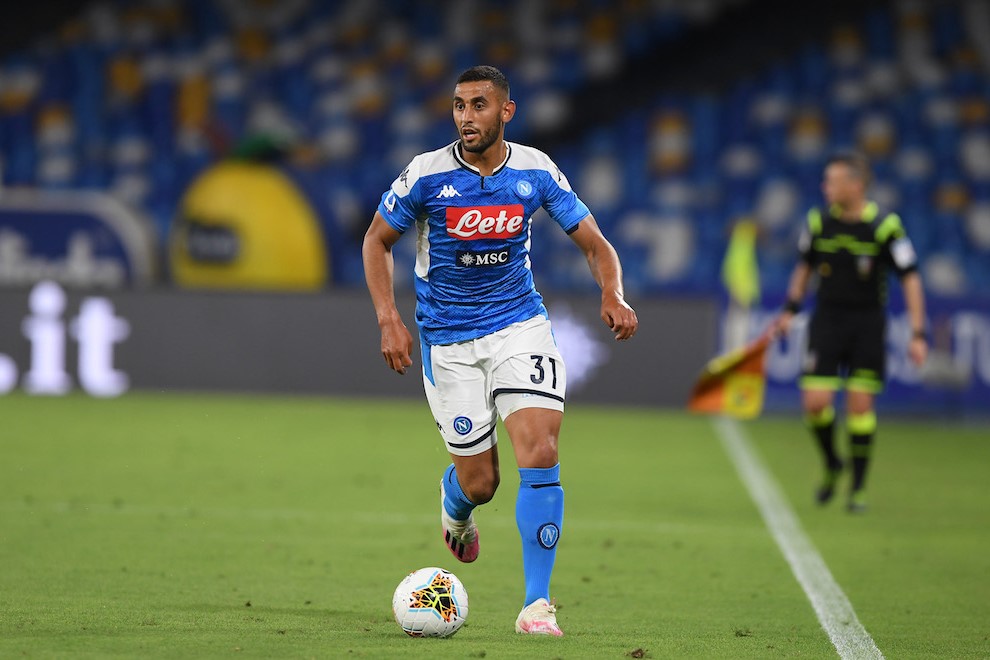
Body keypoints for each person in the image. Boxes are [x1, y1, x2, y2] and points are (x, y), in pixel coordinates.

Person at [362, 65, 638, 636]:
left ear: (506, 112)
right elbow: (376, 240)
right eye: (459, 105)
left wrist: (612, 293)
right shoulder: (426, 174)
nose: (466, 117)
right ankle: (455, 505)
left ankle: (537, 605)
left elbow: (595, 243)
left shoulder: (535, 169)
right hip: (449, 339)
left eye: (479, 105)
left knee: (540, 449)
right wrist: (389, 319)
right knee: (481, 483)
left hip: (519, 325)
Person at [774, 152, 928, 513]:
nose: (825, 186)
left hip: (867, 324)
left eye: (832, 181)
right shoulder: (818, 221)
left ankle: (858, 488)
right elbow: (804, 268)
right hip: (827, 321)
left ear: (855, 185)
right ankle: (832, 461)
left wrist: (918, 333)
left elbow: (910, 278)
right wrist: (790, 310)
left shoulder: (886, 227)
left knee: (860, 405)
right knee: (815, 402)